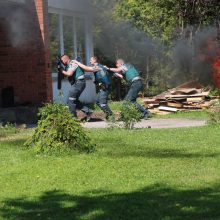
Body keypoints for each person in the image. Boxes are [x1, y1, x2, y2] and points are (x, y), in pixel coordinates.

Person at [59, 55, 93, 121]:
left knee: (70, 101)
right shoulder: (67, 66)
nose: (61, 62)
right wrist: (61, 70)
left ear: (65, 59)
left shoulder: (72, 63)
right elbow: (65, 75)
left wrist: (61, 70)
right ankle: (88, 111)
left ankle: (73, 118)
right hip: (77, 84)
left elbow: (69, 74)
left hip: (79, 83)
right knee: (74, 100)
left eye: (61, 61)